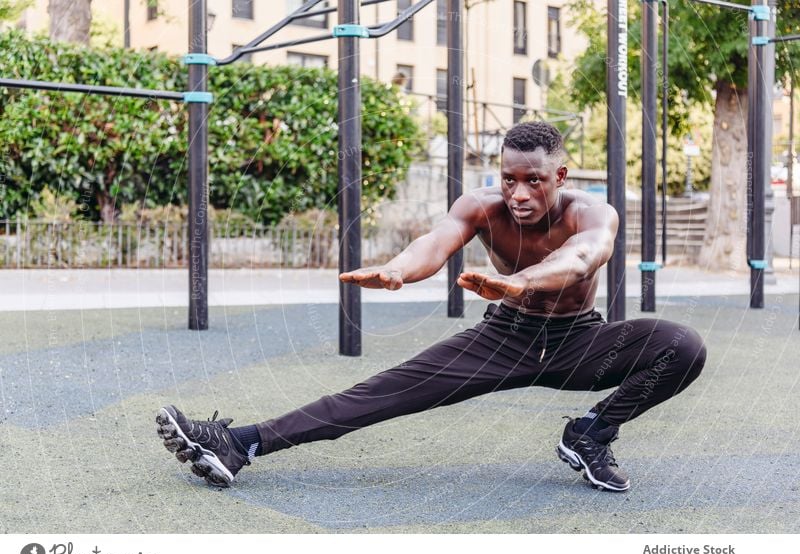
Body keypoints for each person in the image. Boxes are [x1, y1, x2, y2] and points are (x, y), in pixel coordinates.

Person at [156, 121, 706, 492]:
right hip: (503, 338)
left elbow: (582, 259)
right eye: (509, 179)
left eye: (533, 181)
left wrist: (521, 282)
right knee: (380, 393)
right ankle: (240, 443)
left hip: (578, 341)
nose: (518, 194)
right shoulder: (482, 206)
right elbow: (436, 242)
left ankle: (591, 433)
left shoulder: (592, 213)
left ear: (559, 177)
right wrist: (399, 269)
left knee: (682, 346)